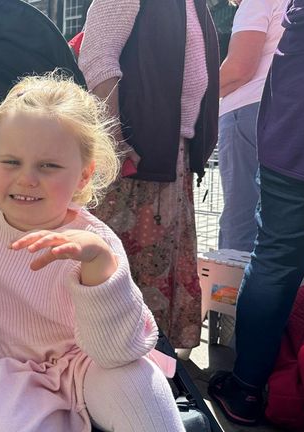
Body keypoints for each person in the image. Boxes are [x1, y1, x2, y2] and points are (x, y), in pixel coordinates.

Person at [0, 75, 183, 432]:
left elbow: (116, 353)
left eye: (48, 166)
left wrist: (98, 266)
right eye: (10, 162)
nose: (27, 178)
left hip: (87, 361)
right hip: (11, 366)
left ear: (84, 176)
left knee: (139, 383)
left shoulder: (94, 240)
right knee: (3, 423)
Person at [78, 0, 219, 350]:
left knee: (152, 271)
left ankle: (150, 363)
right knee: (122, 272)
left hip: (171, 156)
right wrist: (114, 137)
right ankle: (112, 362)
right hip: (132, 160)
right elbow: (97, 58)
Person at [209, 0, 304, 426]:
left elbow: (240, 66)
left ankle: (248, 388)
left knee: (272, 262)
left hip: (295, 138)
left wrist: (190, 102)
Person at [217, 0, 286, 252]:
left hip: (247, 110)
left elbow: (240, 68)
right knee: (282, 220)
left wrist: (195, 93)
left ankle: (231, 288)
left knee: (241, 216)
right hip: (288, 112)